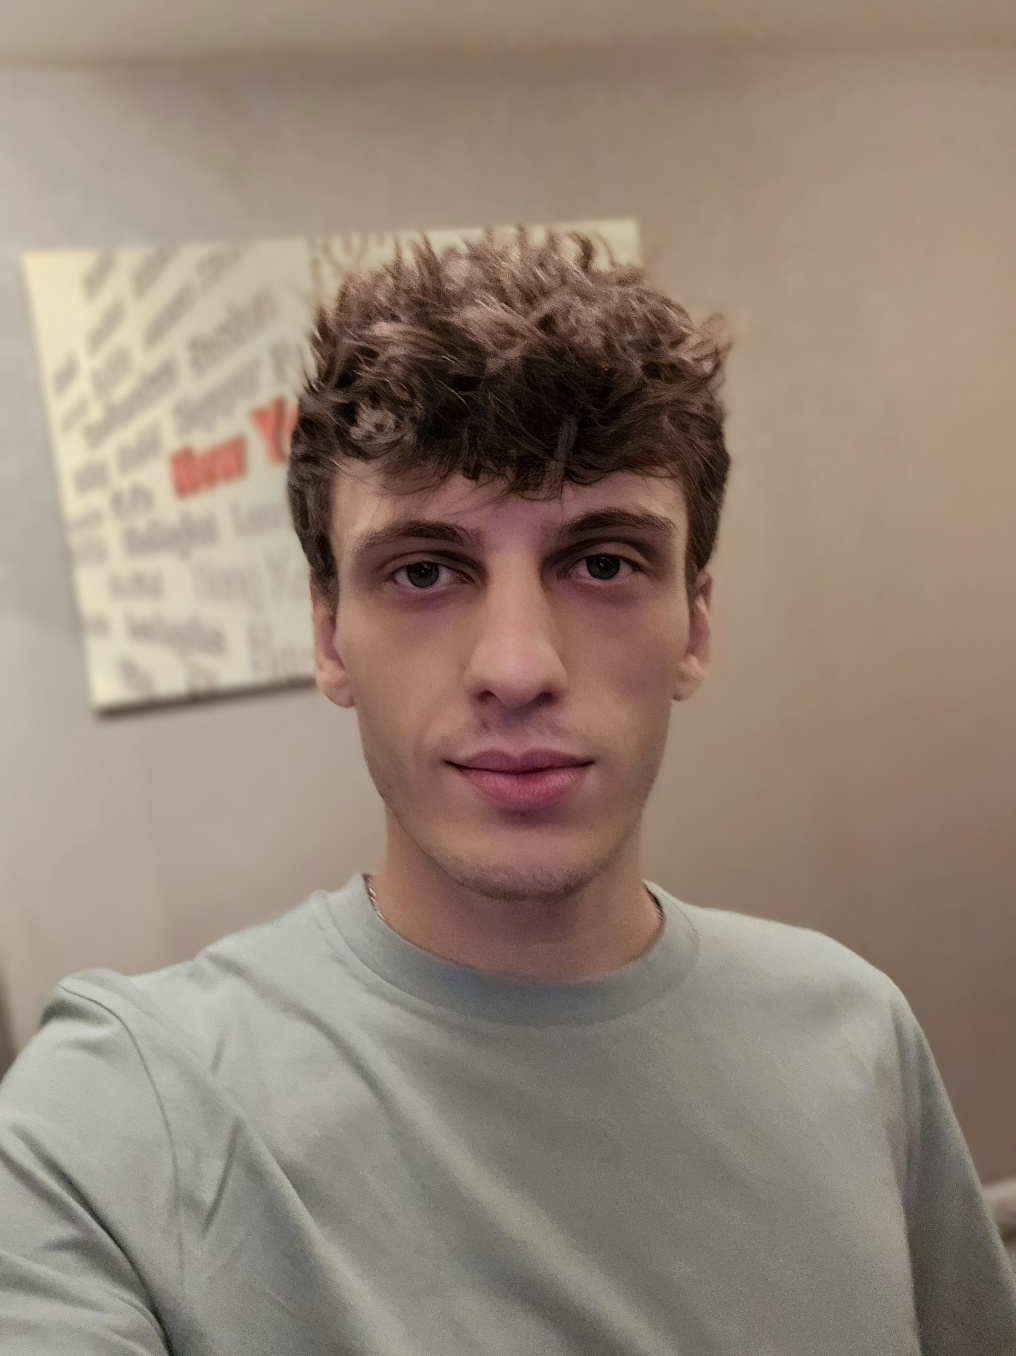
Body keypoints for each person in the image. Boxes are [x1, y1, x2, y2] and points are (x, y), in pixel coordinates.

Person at [1, 232, 1014, 1356]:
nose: (518, 668)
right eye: (424, 571)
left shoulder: (855, 1038)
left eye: (602, 563)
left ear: (696, 624)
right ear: (330, 637)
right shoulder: (119, 1114)